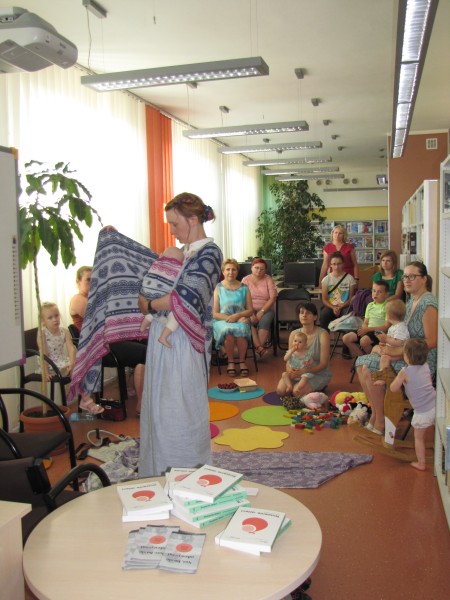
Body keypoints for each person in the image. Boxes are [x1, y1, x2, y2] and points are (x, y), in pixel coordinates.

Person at [138, 192, 222, 477]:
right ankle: (159, 470)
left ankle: (187, 473)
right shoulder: (183, 253)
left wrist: (150, 305)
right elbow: (155, 277)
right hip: (163, 339)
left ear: (193, 219)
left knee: (181, 410)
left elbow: (184, 297)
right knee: (160, 409)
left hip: (184, 343)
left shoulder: (210, 253)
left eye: (175, 224)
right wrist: (114, 239)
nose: (172, 231)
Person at [356, 261, 438, 435]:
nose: (406, 280)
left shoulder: (428, 304)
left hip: (418, 361)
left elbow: (432, 341)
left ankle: (381, 421)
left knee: (368, 367)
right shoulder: (412, 300)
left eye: (412, 276)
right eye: (405, 276)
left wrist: (398, 351)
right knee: (361, 363)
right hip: (405, 353)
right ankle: (377, 414)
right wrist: (388, 344)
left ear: (424, 279)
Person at [69, 265, 146, 415]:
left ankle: (134, 389)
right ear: (78, 282)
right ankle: (141, 404)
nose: (93, 283)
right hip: (100, 347)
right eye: (88, 280)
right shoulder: (78, 299)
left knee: (146, 344)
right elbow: (101, 320)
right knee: (144, 353)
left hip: (110, 340)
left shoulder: (95, 298)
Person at [38, 301, 101, 413]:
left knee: (82, 367)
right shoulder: (42, 333)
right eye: (50, 318)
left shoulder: (64, 331)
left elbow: (71, 348)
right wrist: (45, 372)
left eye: (56, 315)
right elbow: (44, 354)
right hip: (50, 364)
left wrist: (72, 363)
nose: (55, 319)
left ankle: (83, 398)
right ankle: (87, 401)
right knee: (76, 372)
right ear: (43, 321)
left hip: (63, 361)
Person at [389, 339, 436, 471]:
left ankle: (421, 463)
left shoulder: (404, 372)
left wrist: (398, 378)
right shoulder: (426, 366)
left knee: (418, 438)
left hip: (422, 412)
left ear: (407, 356)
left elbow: (393, 388)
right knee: (437, 430)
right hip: (435, 405)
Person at [276, 302, 332, 397]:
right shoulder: (294, 334)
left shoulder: (323, 334)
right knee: (281, 391)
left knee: (296, 392)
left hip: (317, 373)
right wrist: (290, 370)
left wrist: (304, 372)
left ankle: (320, 385)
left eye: (308, 313)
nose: (304, 315)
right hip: (297, 372)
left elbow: (323, 364)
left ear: (315, 317)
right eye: (301, 312)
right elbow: (289, 358)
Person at [213, 259, 253, 376]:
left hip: (240, 318)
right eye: (228, 269)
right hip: (222, 320)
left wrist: (238, 316)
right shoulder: (218, 288)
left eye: (234, 269)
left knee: (242, 330)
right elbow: (214, 313)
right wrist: (230, 319)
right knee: (228, 331)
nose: (231, 272)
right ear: (223, 272)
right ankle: (230, 362)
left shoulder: (244, 288)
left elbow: (250, 310)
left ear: (237, 271)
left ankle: (242, 362)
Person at [139, 246, 184, 348]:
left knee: (152, 312)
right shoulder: (179, 269)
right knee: (176, 317)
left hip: (148, 295)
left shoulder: (155, 263)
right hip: (162, 300)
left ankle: (143, 327)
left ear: (162, 255)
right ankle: (163, 337)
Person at [342, 280, 390, 357]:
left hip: (379, 332)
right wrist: (364, 329)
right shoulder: (370, 305)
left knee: (363, 341)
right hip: (368, 330)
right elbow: (365, 322)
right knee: (346, 338)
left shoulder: (388, 306)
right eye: (374, 291)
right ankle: (363, 358)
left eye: (380, 292)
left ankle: (373, 359)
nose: (376, 294)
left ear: (386, 294)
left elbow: (385, 327)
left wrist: (367, 329)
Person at [241, 257, 277, 357]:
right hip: (248, 309)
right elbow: (242, 299)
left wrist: (262, 311)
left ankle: (258, 350)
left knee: (265, 321)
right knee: (248, 321)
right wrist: (251, 313)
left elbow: (273, 298)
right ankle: (260, 349)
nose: (259, 271)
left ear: (265, 270)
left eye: (262, 269)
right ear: (251, 268)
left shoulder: (268, 279)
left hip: (266, 309)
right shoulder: (245, 280)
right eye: (256, 268)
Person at [319, 251, 356, 331]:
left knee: (349, 316)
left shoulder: (350, 278)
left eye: (339, 264)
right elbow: (324, 299)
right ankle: (324, 336)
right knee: (324, 314)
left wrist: (340, 307)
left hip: (345, 306)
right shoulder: (326, 280)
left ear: (343, 264)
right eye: (334, 264)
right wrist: (333, 307)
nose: (336, 267)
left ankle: (347, 337)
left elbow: (351, 298)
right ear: (330, 265)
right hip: (330, 306)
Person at [372, 299, 409, 370]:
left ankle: (383, 374)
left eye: (386, 313)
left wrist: (386, 339)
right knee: (375, 348)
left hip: (399, 353)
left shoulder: (401, 327)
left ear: (389, 316)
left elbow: (399, 342)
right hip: (391, 349)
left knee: (385, 358)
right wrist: (384, 341)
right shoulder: (394, 326)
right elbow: (391, 339)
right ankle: (372, 363)